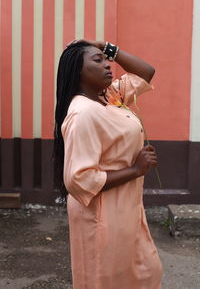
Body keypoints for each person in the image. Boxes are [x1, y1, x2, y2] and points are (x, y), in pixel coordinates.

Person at [54, 39, 163, 289]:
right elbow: (79, 180)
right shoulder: (83, 113)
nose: (108, 64)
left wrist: (104, 46)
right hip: (102, 212)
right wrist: (136, 169)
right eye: (97, 60)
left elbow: (145, 73)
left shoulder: (109, 97)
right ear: (77, 70)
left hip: (127, 204)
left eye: (106, 59)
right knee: (105, 278)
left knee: (145, 272)